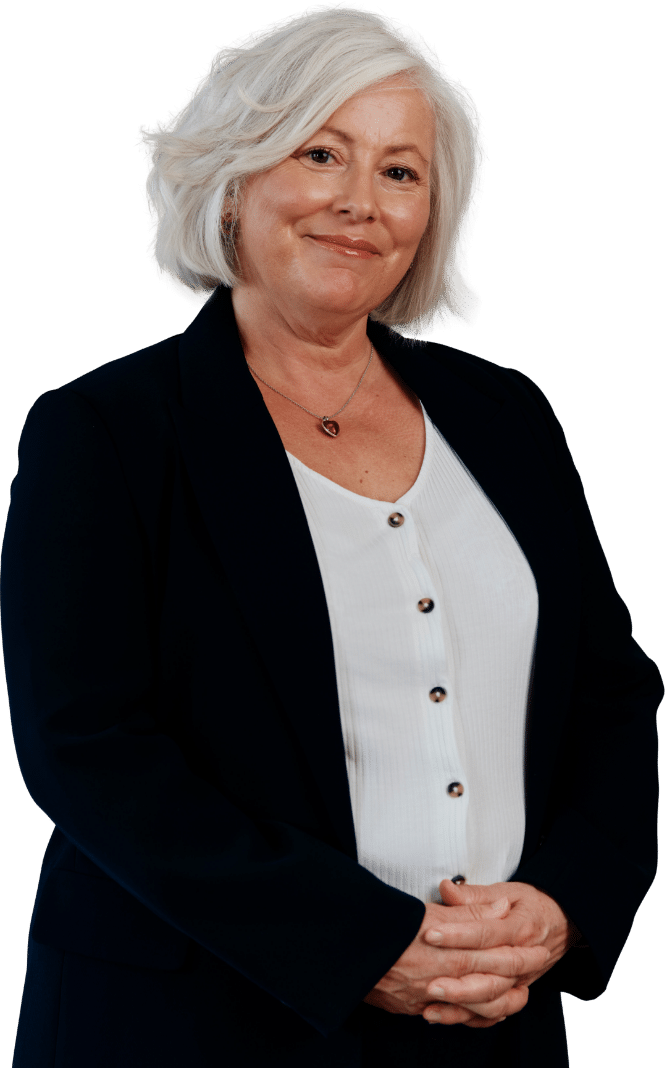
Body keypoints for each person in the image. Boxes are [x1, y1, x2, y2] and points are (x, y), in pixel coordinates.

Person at [3, 6, 660, 1067]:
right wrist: (363, 944)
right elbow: (87, 750)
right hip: (197, 1025)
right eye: (321, 153)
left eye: (400, 172)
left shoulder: (504, 416)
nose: (360, 202)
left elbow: (607, 693)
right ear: (233, 178)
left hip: (487, 1022)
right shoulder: (107, 430)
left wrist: (564, 905)